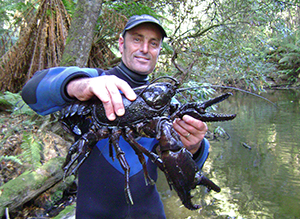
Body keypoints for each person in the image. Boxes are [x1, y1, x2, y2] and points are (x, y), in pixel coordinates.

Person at [22, 14, 209, 219]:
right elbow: (30, 92)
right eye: (137, 39)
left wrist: (195, 148)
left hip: (150, 212)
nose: (145, 49)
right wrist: (77, 85)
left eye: (153, 43)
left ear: (158, 51)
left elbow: (184, 171)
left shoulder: (165, 102)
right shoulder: (96, 81)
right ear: (121, 44)